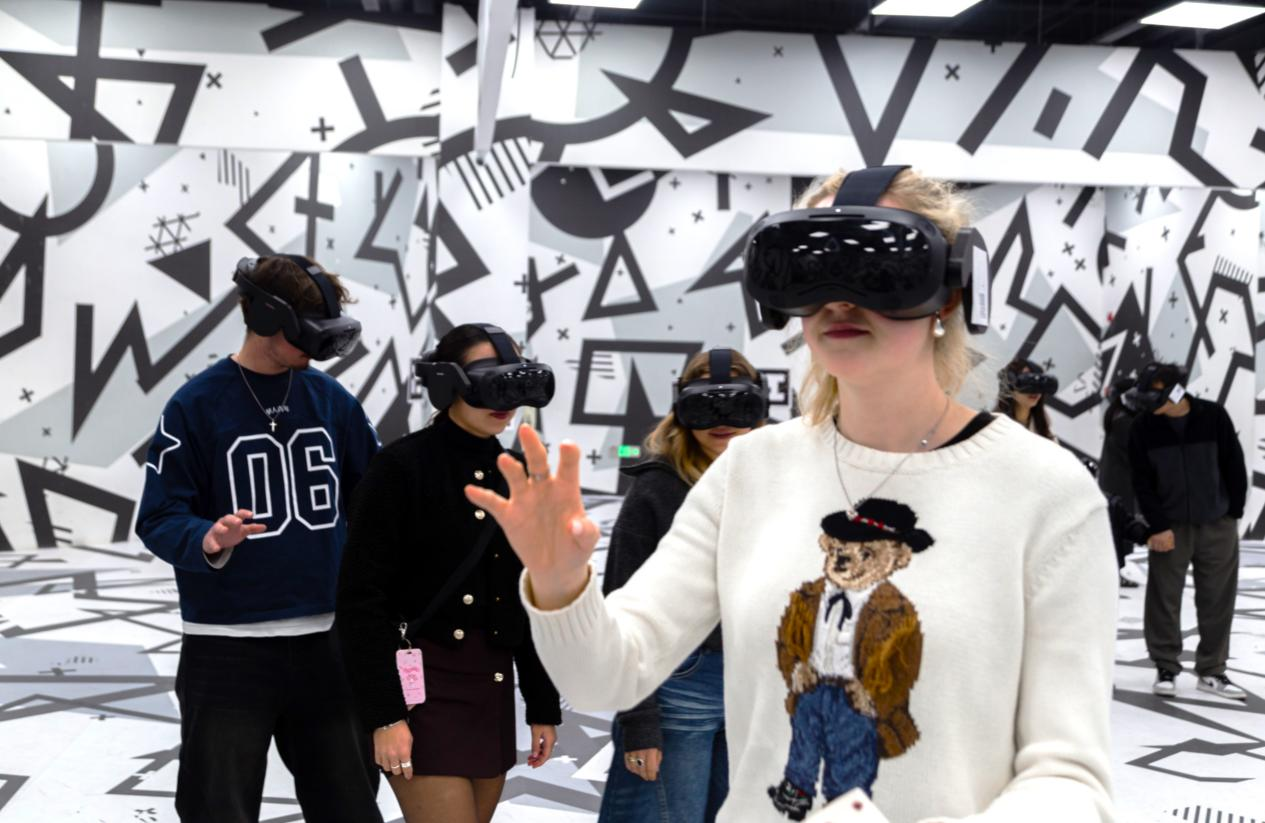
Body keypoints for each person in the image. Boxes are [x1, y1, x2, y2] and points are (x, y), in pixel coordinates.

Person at [466, 166, 1118, 822]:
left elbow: (1070, 777)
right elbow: (609, 674)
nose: (837, 300)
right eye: (809, 269)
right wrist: (560, 586)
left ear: (949, 293)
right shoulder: (749, 471)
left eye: (876, 267)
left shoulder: (1046, 493)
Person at [135, 255, 383, 823]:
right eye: (309, 331)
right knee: (217, 808)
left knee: (349, 805)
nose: (321, 347)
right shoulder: (195, 406)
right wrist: (207, 536)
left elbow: (376, 505)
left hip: (328, 644)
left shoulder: (334, 402)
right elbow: (159, 516)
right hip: (226, 648)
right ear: (267, 318)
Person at [336, 323, 562, 823]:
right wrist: (385, 716)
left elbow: (527, 597)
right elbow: (360, 602)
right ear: (447, 382)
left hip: (491, 685)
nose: (503, 400)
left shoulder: (517, 473)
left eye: (513, 380)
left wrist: (542, 703)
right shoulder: (400, 468)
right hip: (421, 690)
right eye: (487, 380)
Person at [600, 348, 767, 823]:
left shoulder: (779, 482)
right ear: (682, 409)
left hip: (754, 693)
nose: (722, 420)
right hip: (678, 687)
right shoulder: (657, 490)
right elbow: (621, 613)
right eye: (705, 405)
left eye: (736, 403)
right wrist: (639, 723)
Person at [1126, 362, 1248, 701]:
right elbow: (1142, 482)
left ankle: (1212, 670)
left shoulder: (1213, 417)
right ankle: (1166, 666)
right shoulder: (1143, 427)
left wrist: (1232, 514)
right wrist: (1159, 525)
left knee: (1218, 598)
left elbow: (1234, 465)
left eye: (1154, 397)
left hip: (1218, 524)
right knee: (1163, 597)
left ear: (1176, 391)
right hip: (1170, 527)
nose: (1148, 405)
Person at [1099, 377, 1144, 589]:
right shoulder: (1124, 421)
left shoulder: (1117, 416)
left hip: (1116, 481)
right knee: (1120, 531)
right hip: (1121, 483)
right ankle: (1115, 573)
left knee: (1117, 530)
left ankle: (1115, 572)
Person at [995, 358, 1056, 438]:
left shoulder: (1045, 430)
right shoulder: (994, 425)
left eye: (1039, 385)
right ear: (1010, 386)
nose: (1035, 391)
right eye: (1027, 381)